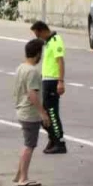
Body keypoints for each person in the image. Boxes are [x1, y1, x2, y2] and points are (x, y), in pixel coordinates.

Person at [13, 38, 51, 186]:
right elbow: (32, 94)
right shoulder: (32, 72)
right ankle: (23, 178)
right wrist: (43, 113)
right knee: (29, 145)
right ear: (37, 54)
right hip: (29, 113)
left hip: (21, 110)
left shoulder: (21, 67)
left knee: (27, 144)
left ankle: (19, 175)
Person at [30, 20, 66, 154]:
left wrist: (60, 81)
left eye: (37, 35)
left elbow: (60, 61)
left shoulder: (56, 40)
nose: (37, 38)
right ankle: (53, 138)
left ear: (42, 31)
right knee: (43, 113)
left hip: (53, 81)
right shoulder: (49, 42)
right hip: (47, 80)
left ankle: (59, 140)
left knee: (50, 113)